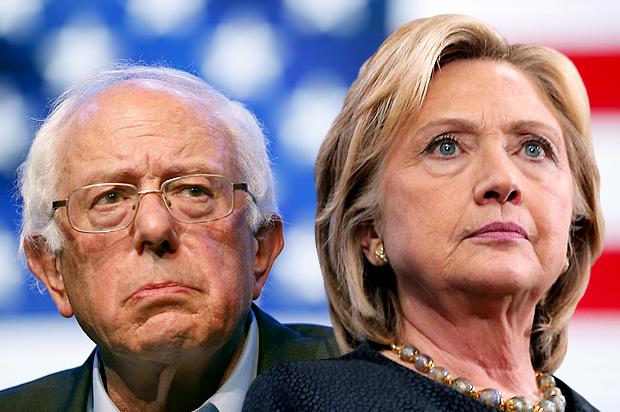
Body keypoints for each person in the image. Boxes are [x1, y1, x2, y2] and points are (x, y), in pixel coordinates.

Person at [243, 14, 603, 412]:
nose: (502, 179)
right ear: (369, 229)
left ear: (574, 228)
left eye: (534, 148)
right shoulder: (313, 401)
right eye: (446, 146)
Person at [0, 65, 339, 412]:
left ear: (260, 248)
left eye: (194, 190)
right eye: (110, 198)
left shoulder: (381, 392)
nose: (154, 227)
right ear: (53, 269)